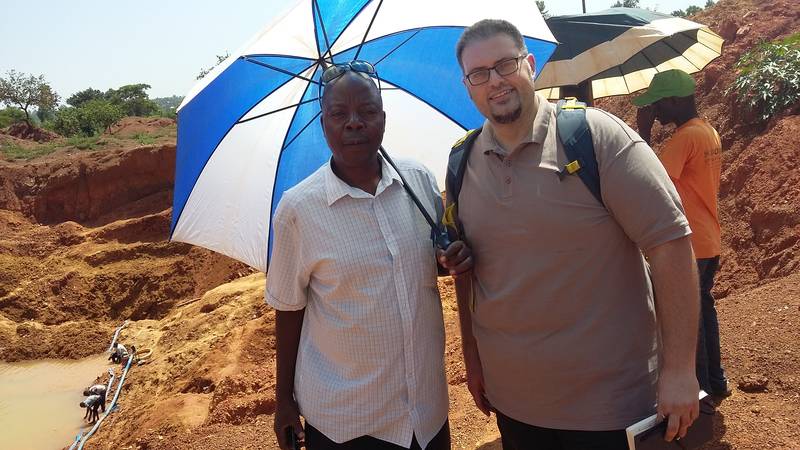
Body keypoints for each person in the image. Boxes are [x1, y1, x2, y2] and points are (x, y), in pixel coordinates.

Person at [447, 19, 701, 449]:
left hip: (611, 409)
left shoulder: (596, 138)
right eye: (479, 73)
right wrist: (472, 358)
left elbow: (670, 243)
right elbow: (470, 273)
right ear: (468, 85)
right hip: (514, 406)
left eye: (505, 64)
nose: (495, 81)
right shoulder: (461, 162)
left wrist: (679, 369)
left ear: (529, 64)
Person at [267, 64, 472, 450]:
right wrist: (283, 401)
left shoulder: (419, 180)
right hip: (348, 422)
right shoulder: (299, 209)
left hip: (426, 415)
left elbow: (425, 264)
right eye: (339, 114)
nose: (354, 123)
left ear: (383, 118)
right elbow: (289, 308)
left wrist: (447, 260)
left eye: (367, 111)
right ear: (323, 122)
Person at [633, 69, 729, 398]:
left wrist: (642, 133)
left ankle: (700, 394)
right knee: (702, 311)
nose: (653, 111)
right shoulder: (708, 132)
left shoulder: (686, 137)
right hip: (708, 238)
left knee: (690, 323)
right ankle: (715, 382)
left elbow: (648, 179)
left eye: (657, 105)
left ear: (675, 100)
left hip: (692, 244)